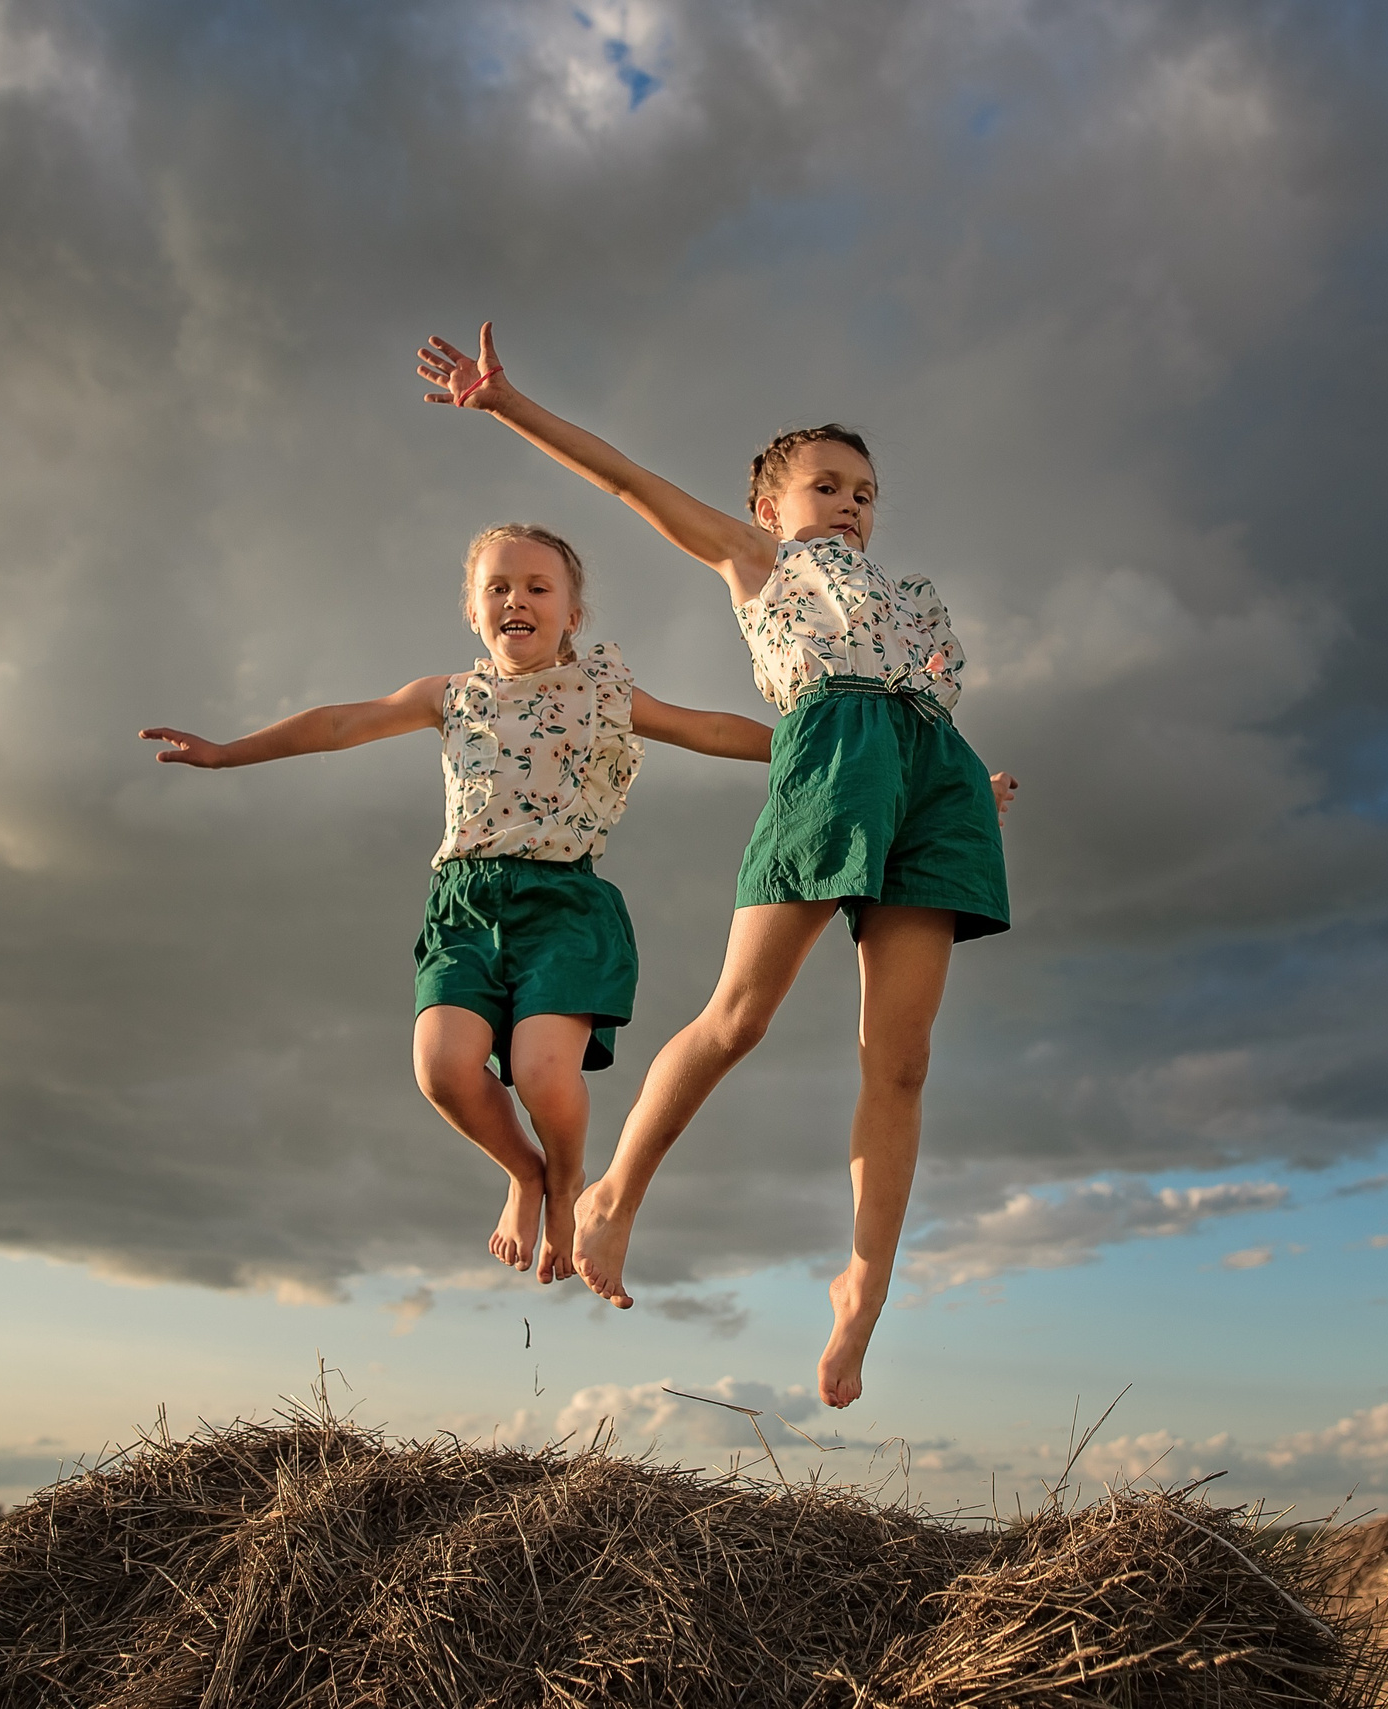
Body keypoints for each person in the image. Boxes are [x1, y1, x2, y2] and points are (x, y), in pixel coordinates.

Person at [414, 325, 1017, 1407]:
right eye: (825, 485)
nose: (849, 504)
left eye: (865, 492)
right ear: (769, 508)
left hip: (934, 780)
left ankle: (864, 1285)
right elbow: (626, 480)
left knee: (904, 1055)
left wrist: (970, 788)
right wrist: (509, 403)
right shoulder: (766, 567)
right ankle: (611, 1196)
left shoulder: (914, 599)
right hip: (830, 753)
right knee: (741, 1015)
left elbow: (926, 712)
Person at [139, 523, 774, 1284]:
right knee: (441, 1068)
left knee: (545, 1075)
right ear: (474, 612)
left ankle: (568, 1182)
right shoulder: (449, 696)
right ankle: (524, 1171)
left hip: (564, 905)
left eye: (539, 587)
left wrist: (800, 740)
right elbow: (340, 723)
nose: (517, 599)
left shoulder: (604, 693)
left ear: (573, 613)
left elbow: (703, 727)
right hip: (464, 906)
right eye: (498, 588)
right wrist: (225, 751)